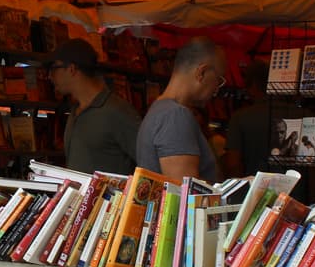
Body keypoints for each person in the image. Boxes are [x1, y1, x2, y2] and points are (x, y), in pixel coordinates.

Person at [136, 37, 227, 182]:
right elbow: (184, 191)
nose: (217, 89)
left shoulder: (159, 109)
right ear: (202, 72)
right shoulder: (175, 115)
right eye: (219, 80)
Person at [47, 38, 140, 175]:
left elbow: (149, 162)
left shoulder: (116, 111)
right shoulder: (75, 112)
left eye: (54, 68)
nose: (50, 76)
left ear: (71, 69)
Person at [223, 60, 274, 178]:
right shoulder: (302, 114)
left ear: (254, 84)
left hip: (254, 191)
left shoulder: (240, 117)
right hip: (297, 192)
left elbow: (233, 164)